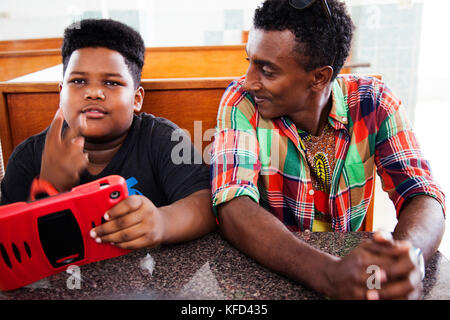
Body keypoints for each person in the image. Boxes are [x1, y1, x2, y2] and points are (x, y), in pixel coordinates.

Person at [210, 0, 446, 299]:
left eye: (267, 71)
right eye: (250, 61)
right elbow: (233, 204)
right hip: (268, 275)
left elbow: (423, 194)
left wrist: (403, 261)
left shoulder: (375, 103)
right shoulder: (242, 103)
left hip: (353, 273)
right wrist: (328, 274)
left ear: (319, 77)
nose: (248, 81)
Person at [0, 19, 216, 249]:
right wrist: (49, 187)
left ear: (136, 99)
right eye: (79, 81)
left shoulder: (164, 139)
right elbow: (7, 239)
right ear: (61, 93)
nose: (94, 92)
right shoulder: (30, 155)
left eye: (112, 83)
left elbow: (203, 203)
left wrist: (162, 222)